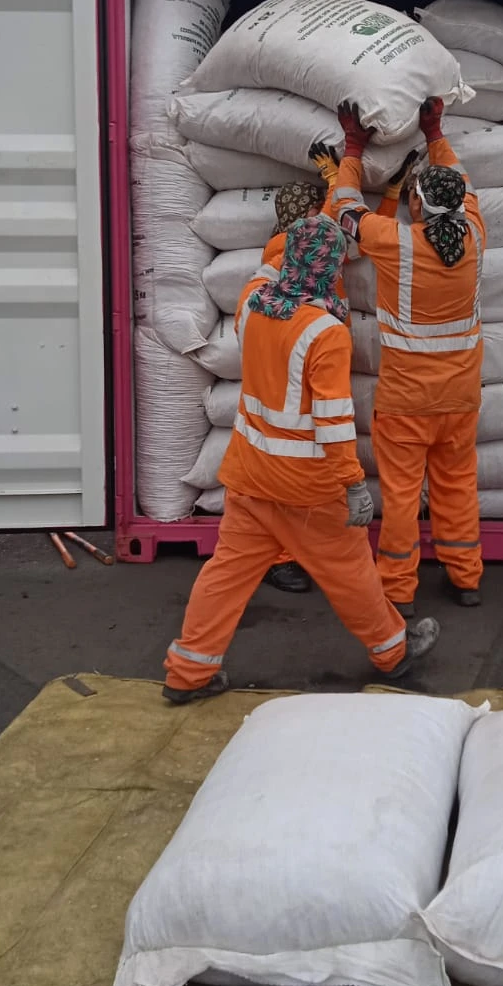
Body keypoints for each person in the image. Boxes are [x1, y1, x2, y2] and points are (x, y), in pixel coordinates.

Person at [162, 212, 442, 704]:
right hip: (308, 488)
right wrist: (354, 483)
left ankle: (188, 672)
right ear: (332, 269)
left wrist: (305, 225)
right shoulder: (325, 332)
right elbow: (333, 420)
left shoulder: (251, 304)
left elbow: (271, 262)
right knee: (351, 573)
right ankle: (394, 653)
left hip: (249, 477)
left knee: (225, 576)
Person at [319, 97, 485, 618]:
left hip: (406, 401)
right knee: (458, 487)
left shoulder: (395, 241)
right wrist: (435, 133)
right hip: (459, 399)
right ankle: (466, 577)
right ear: (458, 205)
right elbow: (460, 178)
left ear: (418, 202)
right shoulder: (476, 233)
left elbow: (346, 207)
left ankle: (399, 589)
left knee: (401, 496)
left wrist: (351, 150)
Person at [261, 163, 414, 596]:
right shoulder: (282, 248)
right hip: (300, 363)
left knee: (315, 463)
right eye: (314, 212)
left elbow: (358, 240)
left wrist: (389, 194)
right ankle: (282, 559)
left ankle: (316, 555)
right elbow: (335, 227)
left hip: (323, 354)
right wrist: (337, 178)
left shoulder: (314, 244)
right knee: (294, 463)